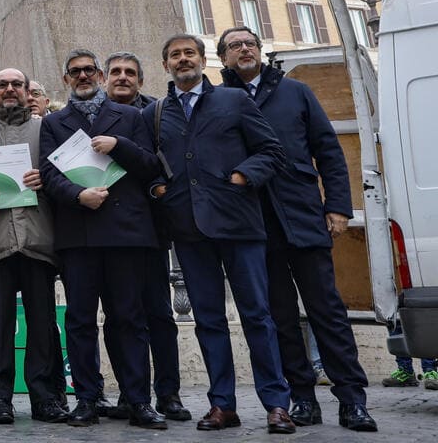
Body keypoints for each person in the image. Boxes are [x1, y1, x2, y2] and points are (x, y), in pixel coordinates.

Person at [218, 26, 377, 431]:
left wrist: (338, 207)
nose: (244, 50)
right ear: (223, 58)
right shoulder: (220, 101)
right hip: (254, 225)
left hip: (304, 215)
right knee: (280, 317)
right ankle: (302, 397)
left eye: (250, 43)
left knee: (328, 311)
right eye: (235, 46)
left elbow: (328, 149)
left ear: (260, 50)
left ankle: (352, 399)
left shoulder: (296, 92)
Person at [142, 33, 296, 434]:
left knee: (257, 316)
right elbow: (149, 167)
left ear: (203, 59)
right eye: (174, 55)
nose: (182, 60)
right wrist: (159, 189)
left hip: (239, 224)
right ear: (165, 66)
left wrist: (245, 175)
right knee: (209, 320)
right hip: (189, 230)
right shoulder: (155, 113)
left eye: (188, 53)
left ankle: (277, 404)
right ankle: (222, 404)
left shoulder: (233, 100)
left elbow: (272, 151)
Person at [39, 50, 166, 430]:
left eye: (88, 70)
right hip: (78, 234)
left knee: (128, 318)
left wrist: (119, 146)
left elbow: (150, 165)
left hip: (126, 233)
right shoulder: (53, 122)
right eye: (74, 72)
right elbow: (48, 172)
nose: (82, 76)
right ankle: (87, 399)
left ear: (99, 74)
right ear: (66, 79)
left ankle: (139, 401)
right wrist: (78, 196)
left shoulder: (131, 117)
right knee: (79, 321)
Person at [0, 68, 65, 425]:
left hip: (39, 237)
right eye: (1, 85)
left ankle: (44, 397)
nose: (9, 90)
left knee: (42, 323)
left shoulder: (48, 129)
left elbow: (66, 175)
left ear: (27, 90)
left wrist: (49, 178)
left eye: (16, 84)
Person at [102, 51, 188, 422]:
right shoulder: (94, 117)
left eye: (130, 73)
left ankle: (168, 393)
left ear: (141, 78)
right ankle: (129, 392)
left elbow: (165, 164)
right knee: (119, 317)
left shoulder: (157, 113)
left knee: (159, 314)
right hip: (105, 229)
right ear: (106, 78)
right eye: (116, 72)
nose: (123, 78)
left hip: (151, 229)